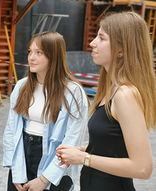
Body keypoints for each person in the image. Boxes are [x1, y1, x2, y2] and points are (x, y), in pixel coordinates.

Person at [56, 11, 156, 191]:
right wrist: (82, 149)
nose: (92, 43)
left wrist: (84, 159)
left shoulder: (124, 95)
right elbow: (114, 145)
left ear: (121, 49)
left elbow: (143, 168)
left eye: (101, 38)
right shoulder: (110, 90)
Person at [3, 32, 88, 191]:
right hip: (22, 155)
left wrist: (44, 179)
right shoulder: (22, 86)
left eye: (39, 52)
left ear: (54, 56)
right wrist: (14, 168)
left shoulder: (73, 92)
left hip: (54, 160)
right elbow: (11, 130)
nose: (31, 58)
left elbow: (72, 140)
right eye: (30, 51)